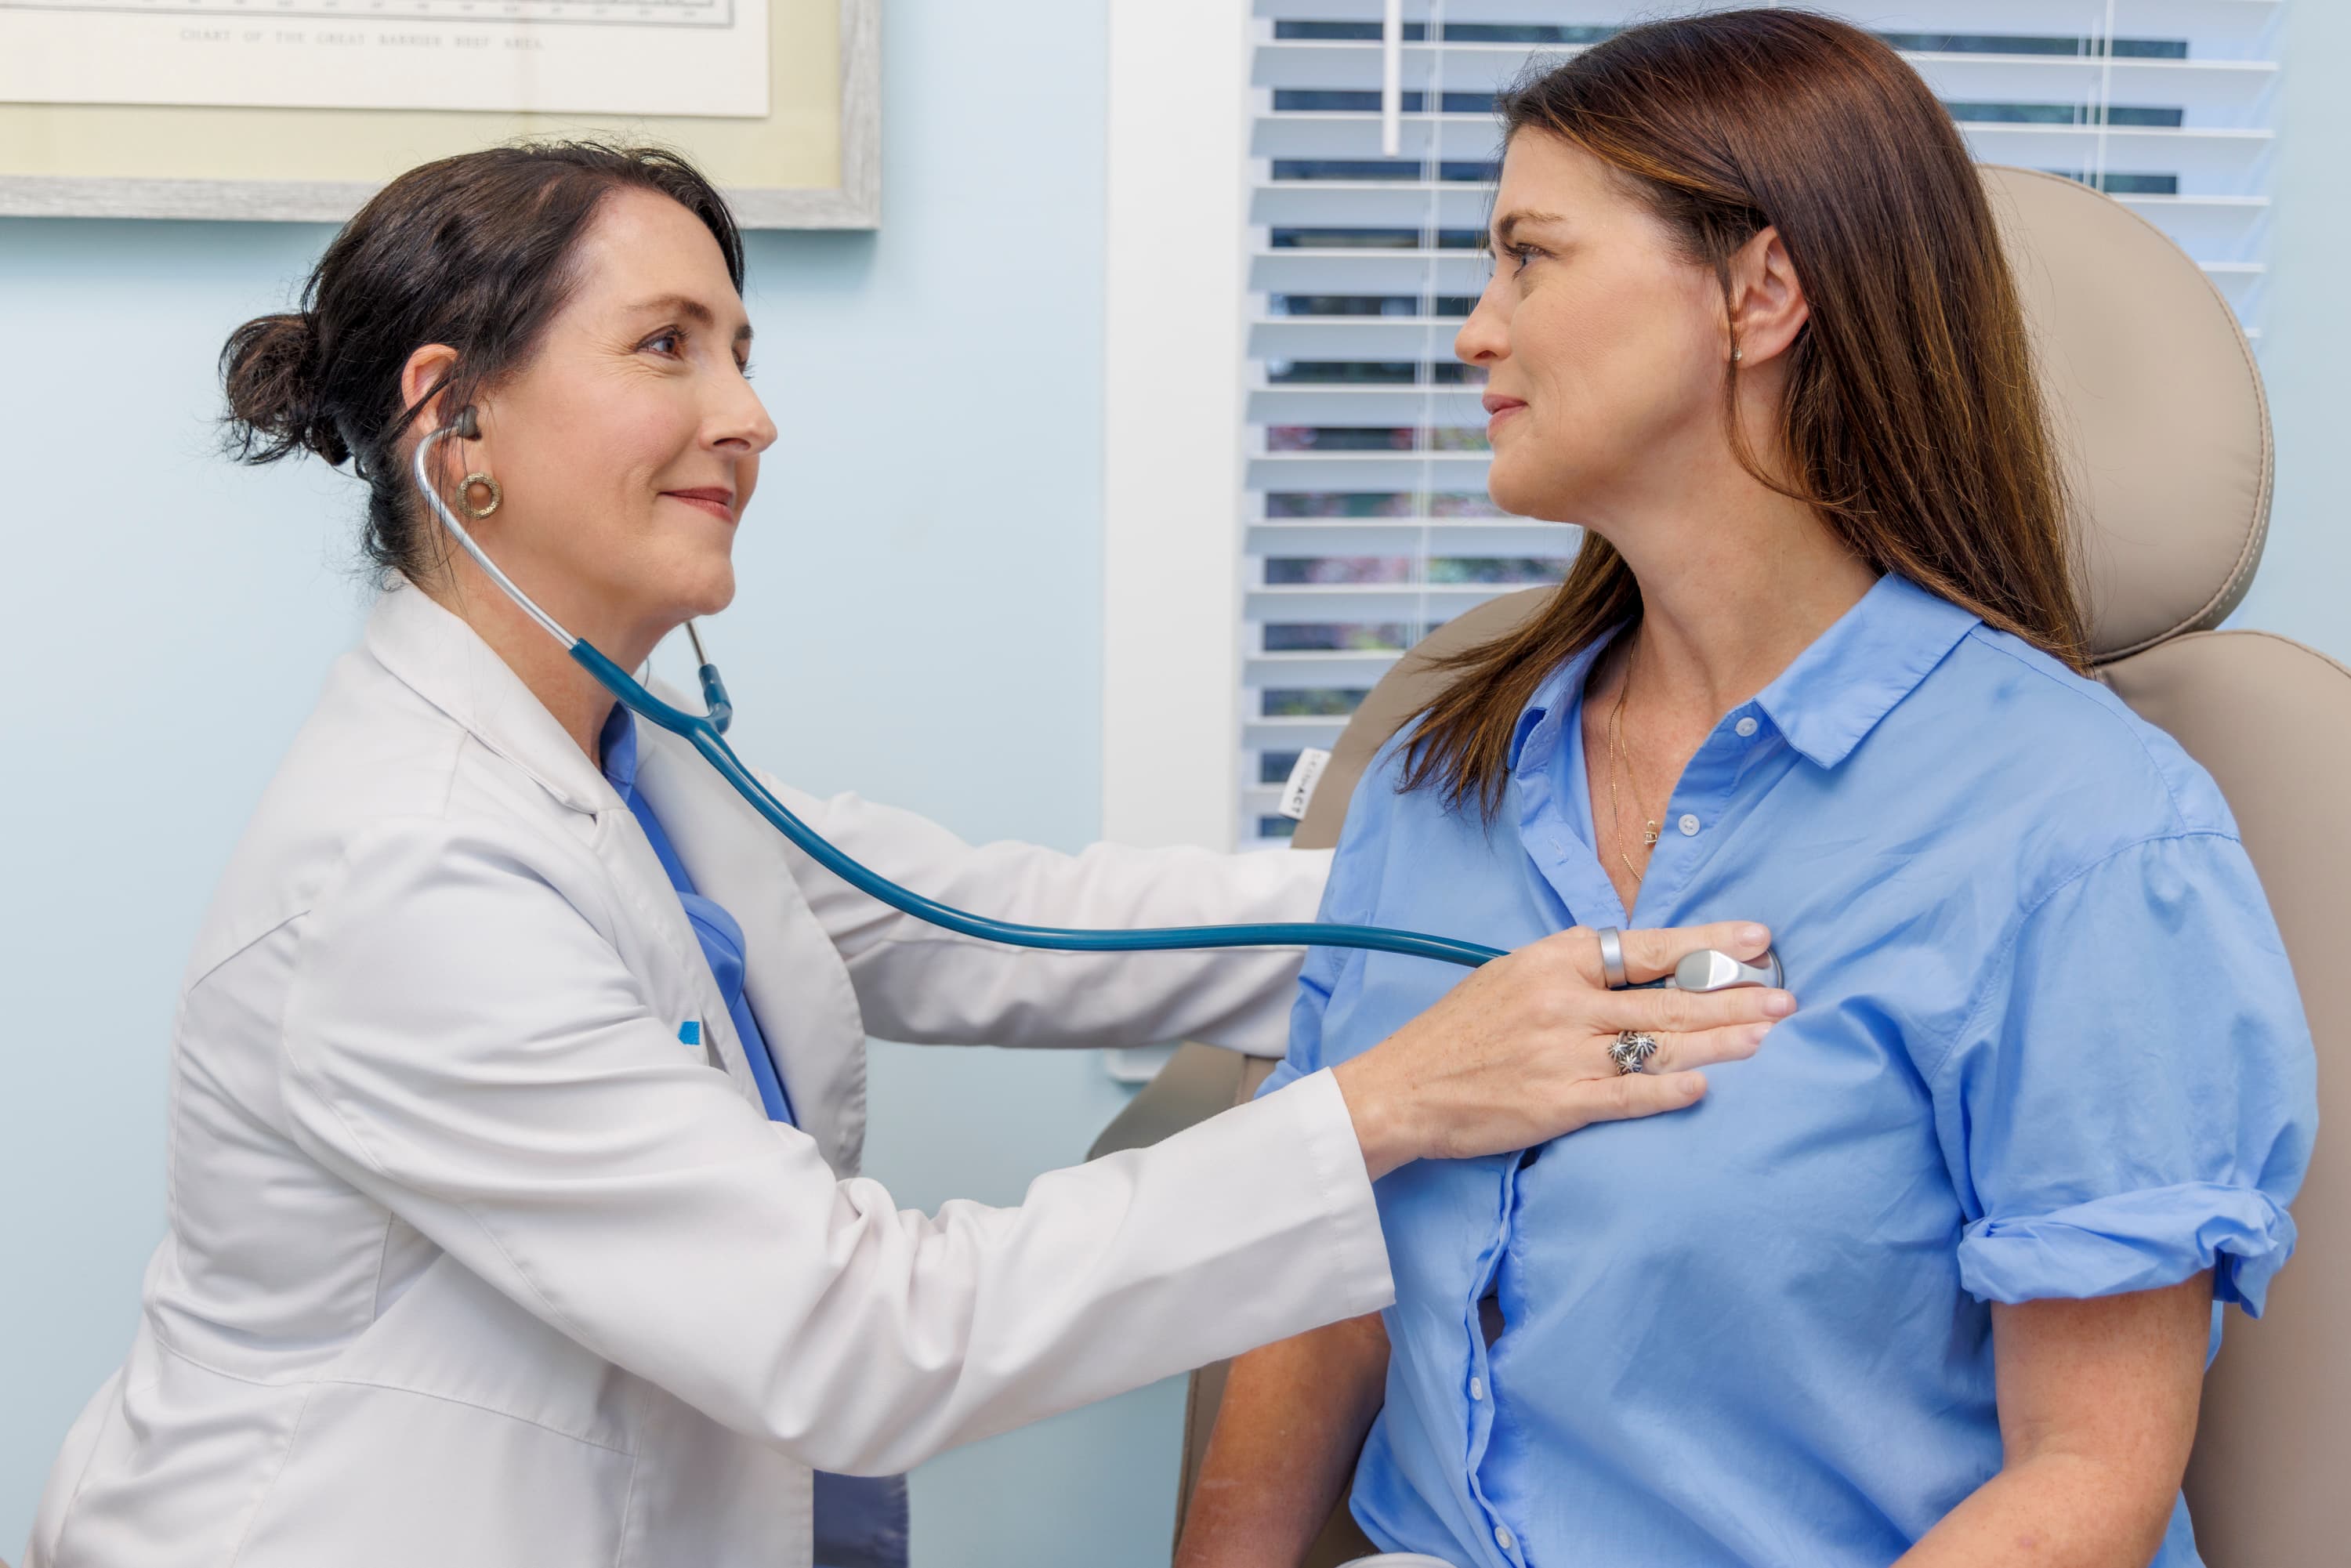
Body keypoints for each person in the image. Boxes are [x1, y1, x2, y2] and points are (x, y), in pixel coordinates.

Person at [20, 143, 1791, 1568]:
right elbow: (864, 1330)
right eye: (667, 346)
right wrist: (1390, 1103)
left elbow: (1011, 922)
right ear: (453, 419)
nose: (750, 414)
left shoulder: (637, 763)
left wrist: (1500, 904)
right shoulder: (404, 877)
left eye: (742, 350)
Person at [1176, 13, 2317, 1568]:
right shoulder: (1442, 781)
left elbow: (2088, 1475)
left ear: (1759, 292)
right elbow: (1327, 1297)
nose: (1473, 330)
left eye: (1530, 257)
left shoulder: (2083, 833)